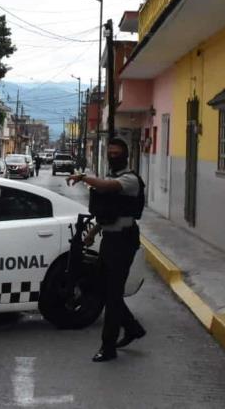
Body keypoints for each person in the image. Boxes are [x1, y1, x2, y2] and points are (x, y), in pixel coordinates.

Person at [66, 138, 146, 362]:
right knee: (102, 288)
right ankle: (132, 328)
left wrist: (82, 177)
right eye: (110, 152)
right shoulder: (114, 177)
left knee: (112, 295)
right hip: (111, 239)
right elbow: (110, 211)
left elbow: (106, 186)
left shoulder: (130, 180)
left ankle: (108, 347)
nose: (113, 156)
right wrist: (92, 233)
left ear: (126, 155)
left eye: (117, 153)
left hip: (124, 241)